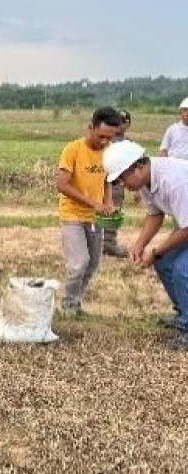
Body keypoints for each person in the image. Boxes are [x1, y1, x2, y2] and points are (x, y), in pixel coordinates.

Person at [104, 140, 188, 349]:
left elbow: (187, 229)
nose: (122, 183)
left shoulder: (174, 181)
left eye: (122, 177)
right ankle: (184, 314)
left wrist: (156, 251)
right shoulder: (145, 182)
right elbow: (155, 214)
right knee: (164, 263)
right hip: (185, 222)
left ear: (139, 167)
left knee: (182, 270)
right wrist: (139, 245)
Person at [56, 107, 119, 316]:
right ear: (90, 127)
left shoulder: (108, 152)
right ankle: (67, 306)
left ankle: (76, 302)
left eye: (109, 138)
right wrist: (93, 203)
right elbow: (62, 185)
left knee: (92, 264)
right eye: (101, 136)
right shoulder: (72, 150)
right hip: (72, 214)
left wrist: (107, 202)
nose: (104, 142)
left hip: (95, 217)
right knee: (79, 262)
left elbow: (108, 180)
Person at [103, 109, 132, 258]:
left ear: (128, 124)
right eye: (118, 121)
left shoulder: (129, 145)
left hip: (118, 184)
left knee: (114, 213)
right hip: (101, 182)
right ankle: (95, 243)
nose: (120, 125)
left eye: (124, 121)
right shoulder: (104, 140)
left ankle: (109, 242)